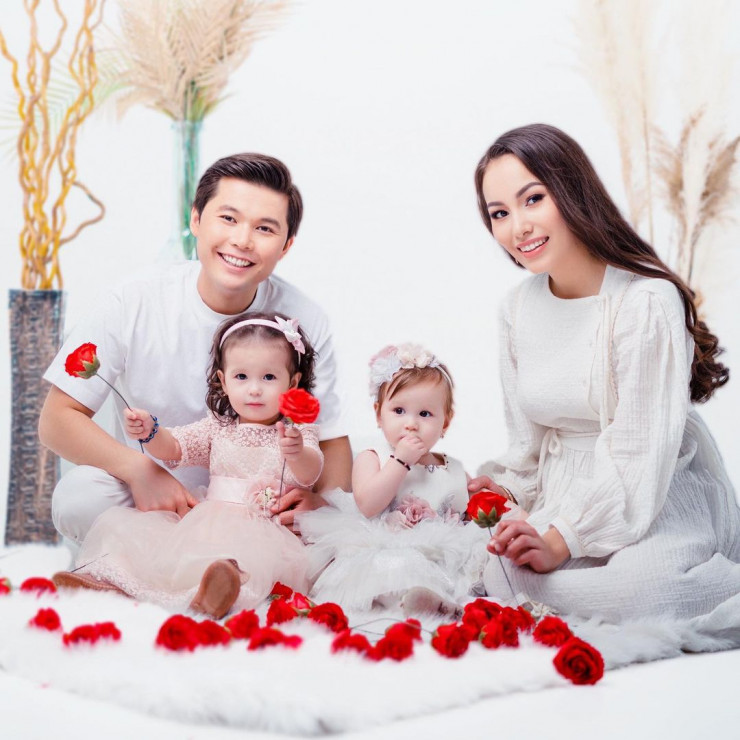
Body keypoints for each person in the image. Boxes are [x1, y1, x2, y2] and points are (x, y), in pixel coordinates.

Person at [470, 123, 740, 624]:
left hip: (655, 487)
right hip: (566, 490)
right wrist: (505, 492)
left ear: (572, 191)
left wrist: (560, 540)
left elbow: (639, 453)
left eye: (533, 199)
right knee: (499, 570)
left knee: (645, 593)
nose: (518, 227)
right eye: (500, 213)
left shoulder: (646, 301)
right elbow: (527, 444)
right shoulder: (516, 309)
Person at [39, 153, 351, 544]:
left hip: (261, 511)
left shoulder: (305, 318)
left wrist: (319, 504)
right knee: (80, 495)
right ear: (196, 220)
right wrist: (140, 470)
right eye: (229, 218)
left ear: (286, 246)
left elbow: (331, 439)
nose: (242, 240)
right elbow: (56, 420)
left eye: (264, 228)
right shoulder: (132, 299)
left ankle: (221, 568)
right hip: (154, 502)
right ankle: (152, 563)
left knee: (334, 522)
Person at [53, 312, 322, 618]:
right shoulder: (217, 427)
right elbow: (175, 447)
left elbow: (310, 473)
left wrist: (297, 452)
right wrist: (151, 431)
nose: (254, 389)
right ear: (223, 380)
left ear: (293, 383)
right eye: (241, 377)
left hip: (266, 534)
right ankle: (109, 582)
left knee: (242, 564)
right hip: (208, 524)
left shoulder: (297, 432)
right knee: (155, 547)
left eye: (269, 377)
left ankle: (219, 592)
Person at [300, 343, 489, 613]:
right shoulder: (373, 458)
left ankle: (440, 602)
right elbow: (368, 505)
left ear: (445, 423)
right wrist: (400, 461)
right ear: (379, 414)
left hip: (442, 558)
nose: (411, 424)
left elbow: (466, 515)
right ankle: (414, 600)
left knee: (482, 561)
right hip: (388, 550)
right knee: (396, 569)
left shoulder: (453, 468)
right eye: (399, 411)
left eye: (425, 414)